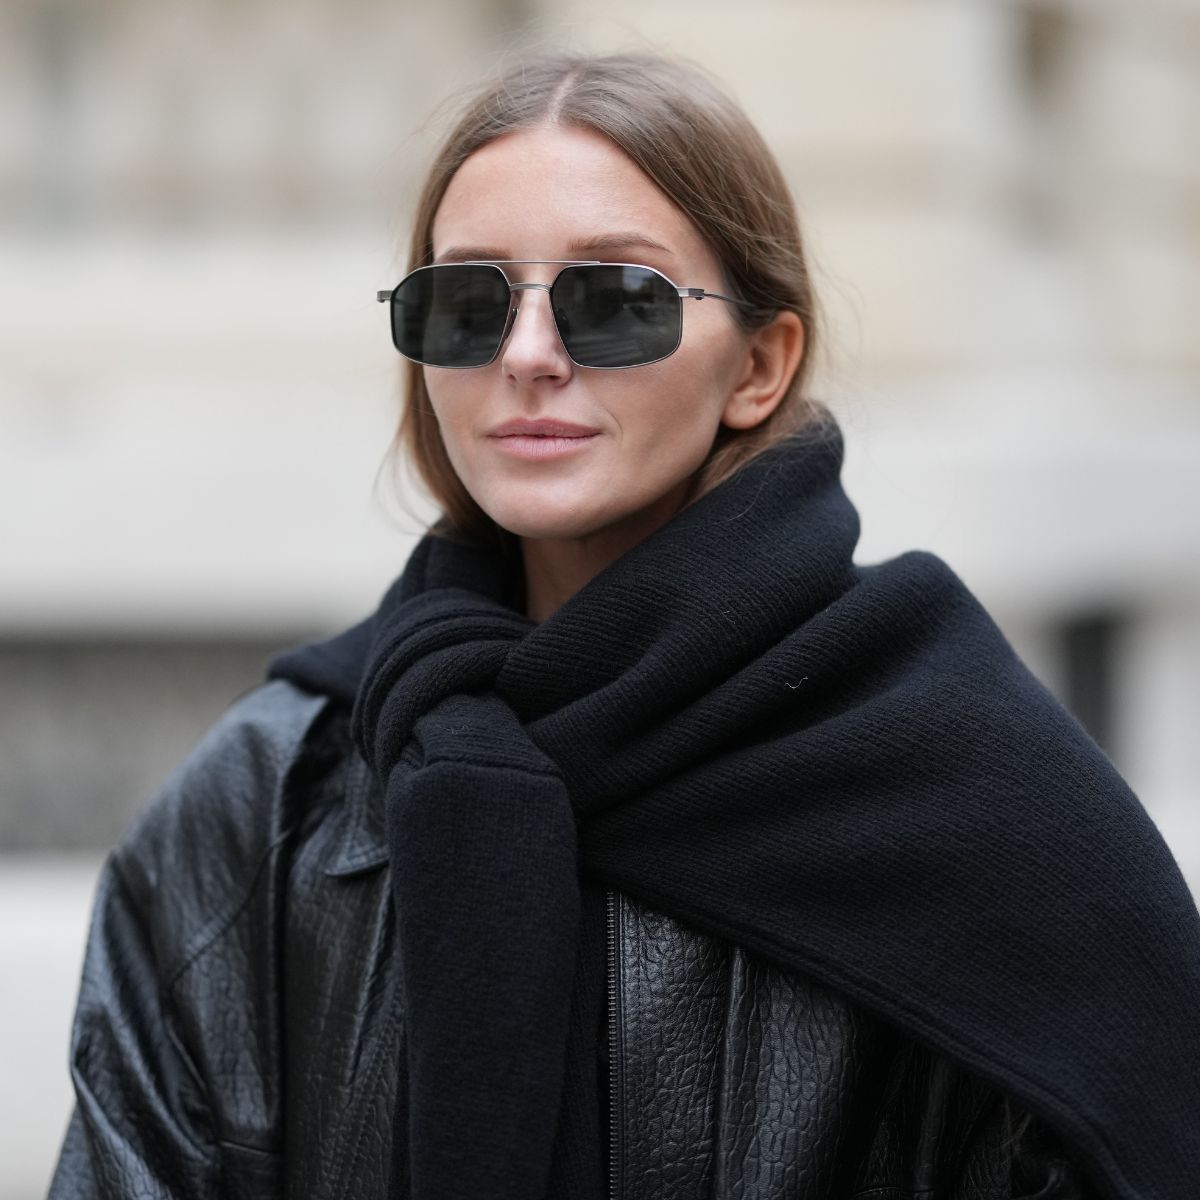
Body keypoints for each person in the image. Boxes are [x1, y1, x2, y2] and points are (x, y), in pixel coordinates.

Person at [48, 48, 1200, 1200]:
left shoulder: (974, 786)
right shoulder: (270, 795)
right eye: (468, 302)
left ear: (760, 365)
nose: (527, 356)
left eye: (615, 299)